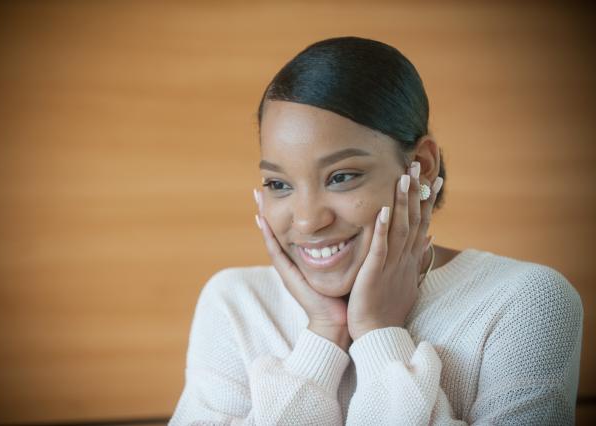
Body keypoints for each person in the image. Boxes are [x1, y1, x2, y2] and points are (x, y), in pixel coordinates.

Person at [169, 36, 583, 425]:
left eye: (342, 176)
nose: (308, 220)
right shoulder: (236, 304)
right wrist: (324, 334)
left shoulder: (524, 302)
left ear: (421, 164)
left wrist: (379, 333)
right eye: (279, 184)